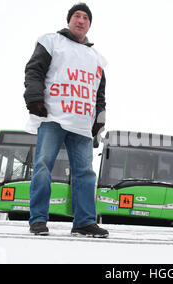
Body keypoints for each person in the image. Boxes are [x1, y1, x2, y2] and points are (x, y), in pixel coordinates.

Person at [23, 3, 108, 238]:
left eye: (85, 18)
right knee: (42, 166)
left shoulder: (96, 57)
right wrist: (34, 97)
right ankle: (38, 219)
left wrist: (99, 121)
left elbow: (99, 94)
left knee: (85, 173)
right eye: (76, 16)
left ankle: (84, 222)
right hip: (53, 116)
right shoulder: (52, 41)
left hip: (81, 123)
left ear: (89, 24)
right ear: (69, 20)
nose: (81, 20)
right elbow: (34, 70)